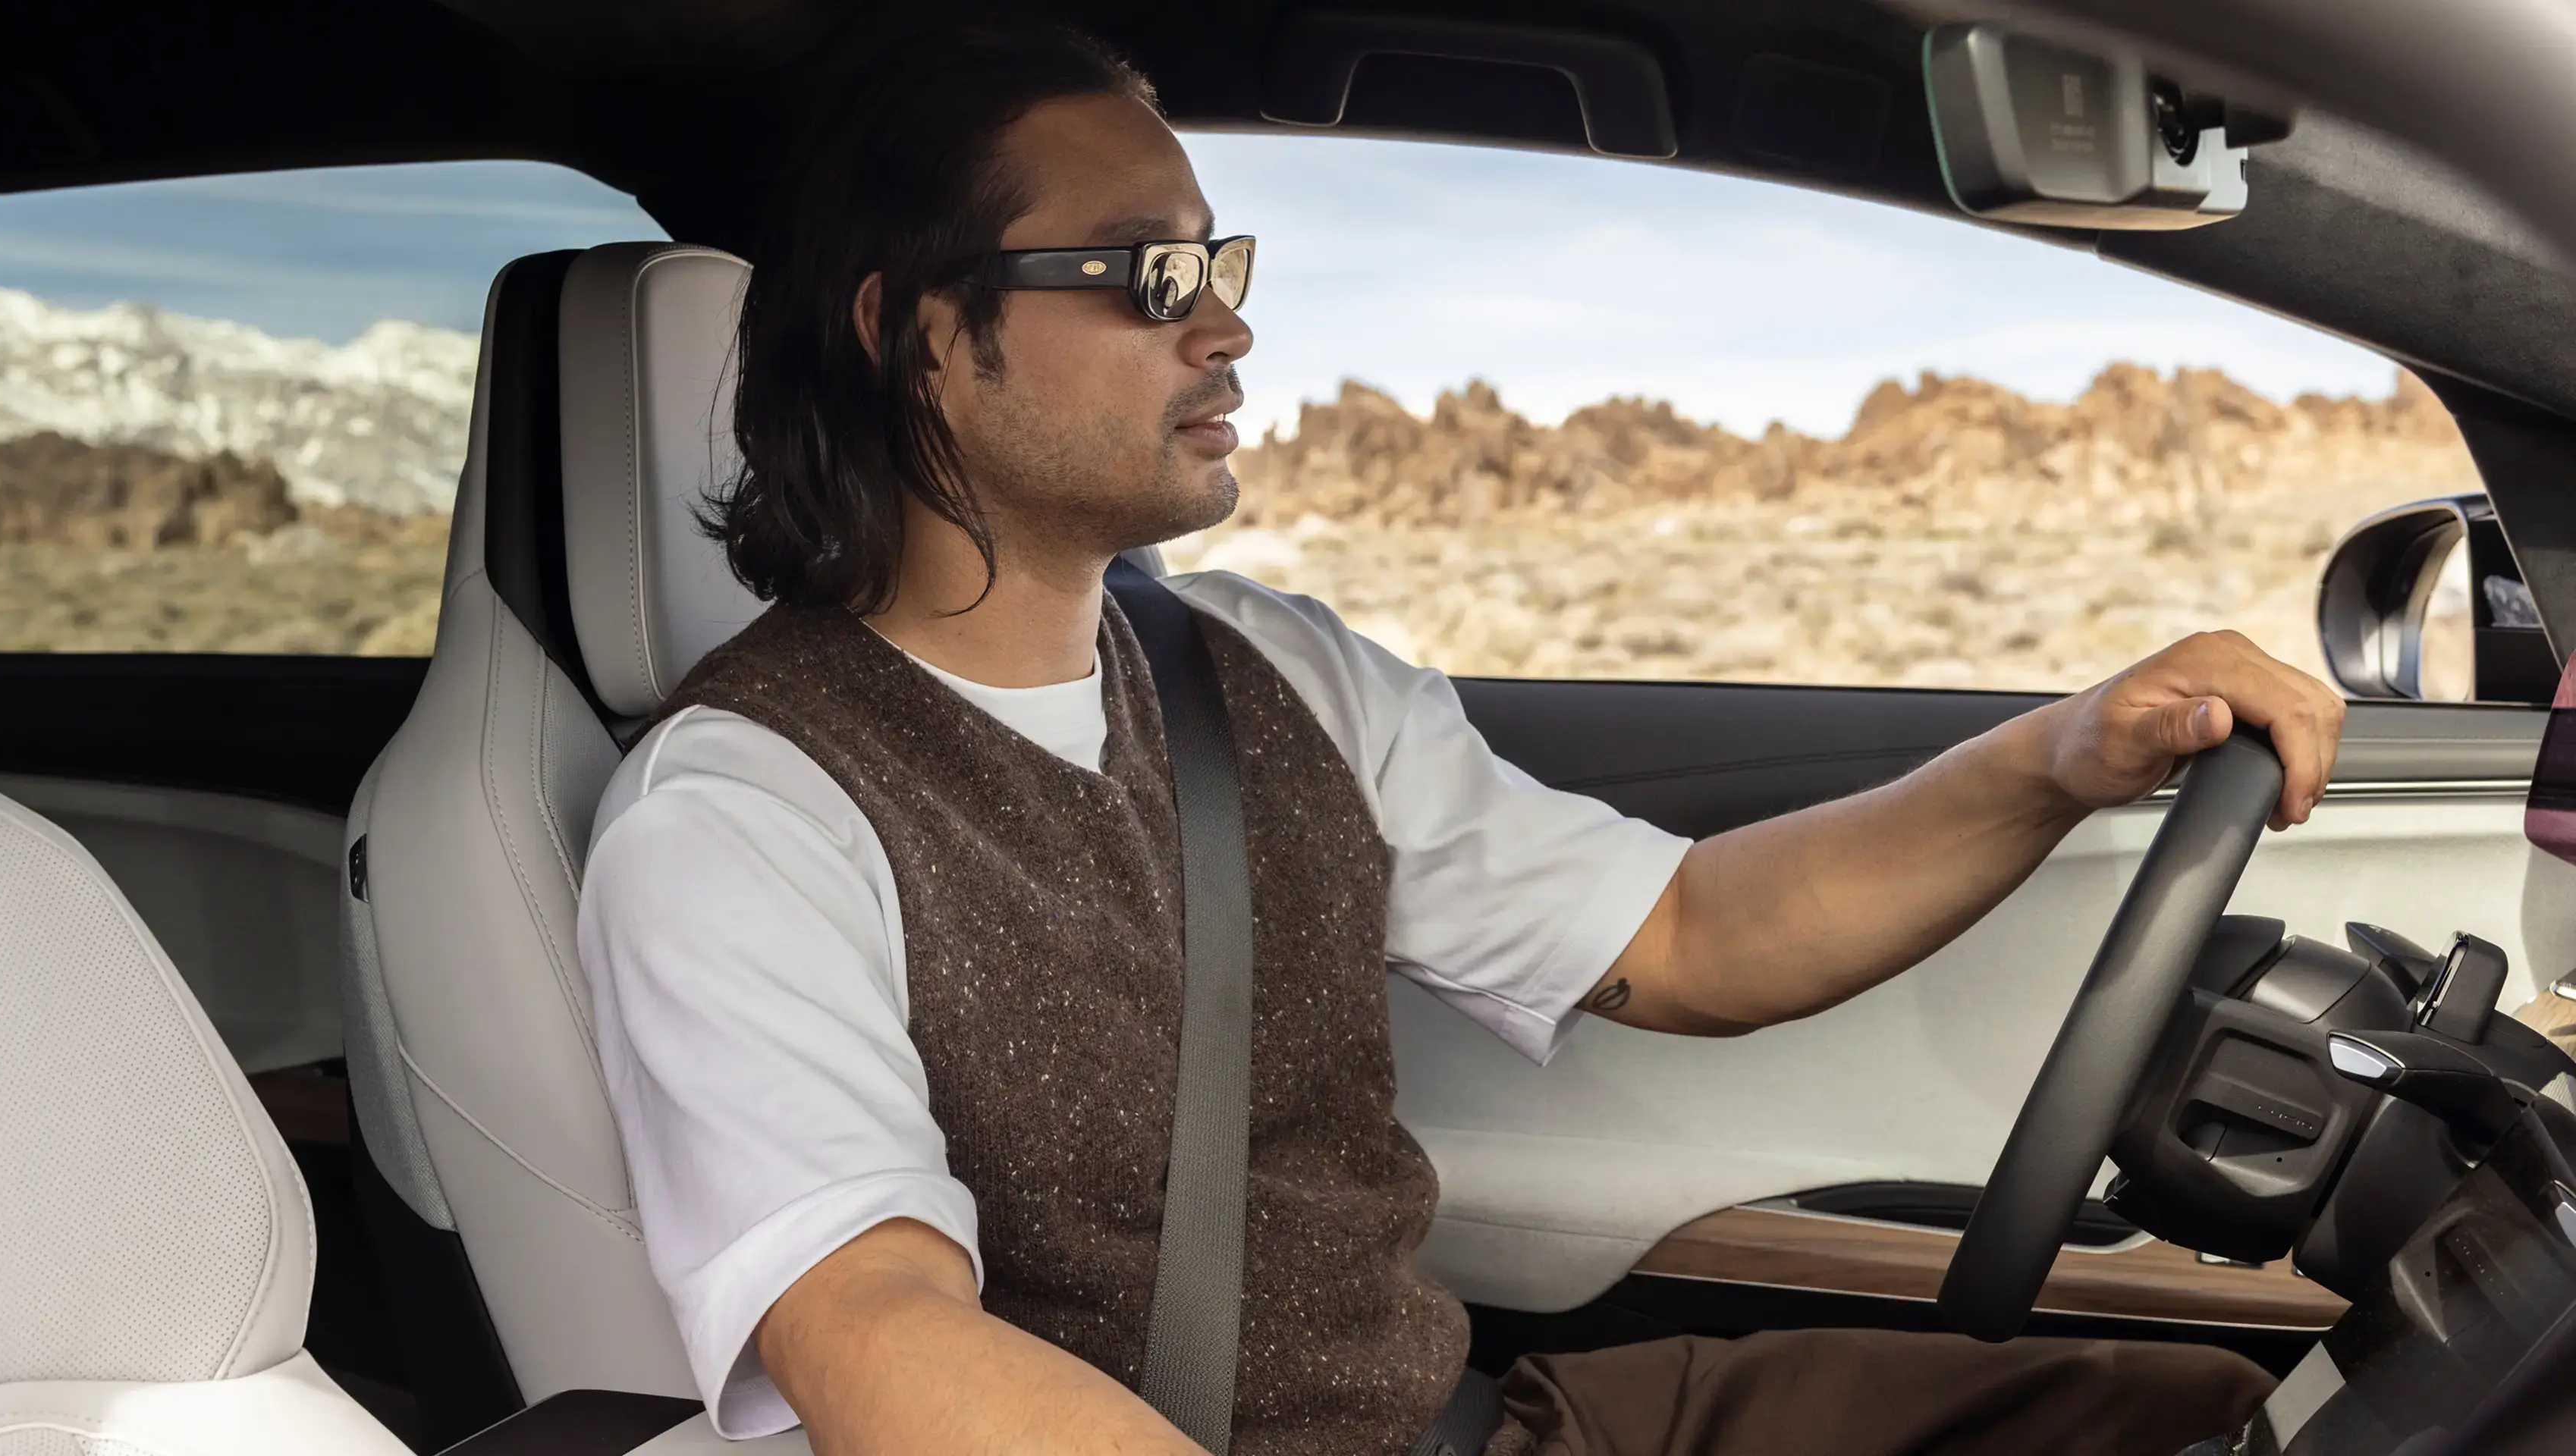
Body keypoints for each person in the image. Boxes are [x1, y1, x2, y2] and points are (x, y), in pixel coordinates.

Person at [576, 22, 2333, 1455]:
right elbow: (875, 1332)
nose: (1227, 324)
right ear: (915, 338)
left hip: (1474, 1426)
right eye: (1151, 273)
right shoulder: (741, 813)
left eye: (1222, 261)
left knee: (2198, 1416)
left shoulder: (1265, 670)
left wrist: (2056, 759)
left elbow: (1692, 936)